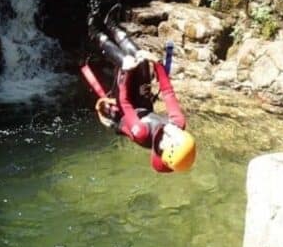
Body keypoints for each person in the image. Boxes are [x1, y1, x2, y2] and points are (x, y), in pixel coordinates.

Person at [80, 16, 196, 173]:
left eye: (177, 134)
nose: (178, 129)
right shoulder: (178, 124)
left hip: (122, 111)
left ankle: (93, 32)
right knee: (141, 61)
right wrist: (157, 64)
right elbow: (168, 93)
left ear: (167, 144)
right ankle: (111, 24)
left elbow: (124, 101)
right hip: (142, 106)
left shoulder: (141, 132)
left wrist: (125, 72)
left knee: (127, 60)